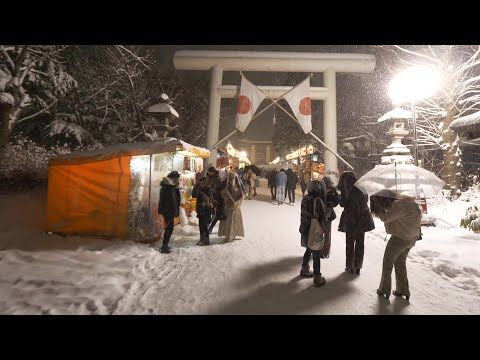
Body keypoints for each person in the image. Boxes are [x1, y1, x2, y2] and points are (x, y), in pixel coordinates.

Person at [370, 189, 422, 301]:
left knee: (387, 263)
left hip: (400, 239)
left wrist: (380, 210)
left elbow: (386, 218)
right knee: (400, 263)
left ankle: (384, 290)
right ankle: (403, 290)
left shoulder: (399, 205)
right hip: (412, 238)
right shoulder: (410, 202)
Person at [337, 171, 375, 274]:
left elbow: (343, 203)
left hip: (351, 219)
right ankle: (358, 266)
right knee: (360, 243)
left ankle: (350, 266)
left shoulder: (347, 189)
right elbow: (365, 200)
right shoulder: (362, 187)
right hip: (362, 218)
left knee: (350, 243)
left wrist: (340, 198)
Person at [299, 179, 328, 287]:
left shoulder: (305, 198)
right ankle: (317, 277)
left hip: (305, 228)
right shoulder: (318, 200)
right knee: (316, 252)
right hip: (314, 229)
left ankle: (304, 270)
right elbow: (322, 218)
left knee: (309, 248)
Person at [218, 171, 246, 242]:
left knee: (232, 222)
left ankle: (231, 236)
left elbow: (241, 196)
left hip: (233, 207)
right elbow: (222, 194)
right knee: (230, 222)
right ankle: (230, 235)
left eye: (231, 177)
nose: (230, 179)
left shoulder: (235, 186)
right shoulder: (228, 185)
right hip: (230, 207)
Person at [158, 171, 181, 254]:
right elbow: (166, 201)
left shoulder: (171, 186)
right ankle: (164, 247)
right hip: (168, 211)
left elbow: (175, 199)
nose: (177, 179)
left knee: (169, 228)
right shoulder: (167, 187)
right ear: (172, 178)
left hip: (170, 210)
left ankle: (165, 245)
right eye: (176, 178)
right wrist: (167, 211)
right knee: (169, 228)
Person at [319, 176, 340, 258]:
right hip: (322, 214)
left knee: (325, 233)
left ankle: (325, 252)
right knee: (323, 233)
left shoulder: (333, 192)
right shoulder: (321, 190)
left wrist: (329, 203)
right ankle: (322, 251)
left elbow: (337, 201)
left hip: (327, 214)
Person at [192, 176, 214, 246]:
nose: (201, 184)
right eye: (200, 183)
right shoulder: (199, 188)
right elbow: (194, 196)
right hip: (200, 209)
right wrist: (195, 187)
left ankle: (206, 240)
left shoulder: (209, 189)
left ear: (205, 183)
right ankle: (202, 238)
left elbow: (210, 200)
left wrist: (204, 203)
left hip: (206, 210)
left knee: (205, 225)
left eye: (202, 183)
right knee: (201, 225)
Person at [206, 166, 225, 235]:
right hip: (208, 197)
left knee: (216, 214)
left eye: (210, 172)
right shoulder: (207, 177)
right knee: (209, 213)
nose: (209, 173)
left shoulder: (217, 179)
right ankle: (209, 225)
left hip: (216, 198)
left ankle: (210, 227)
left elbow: (217, 189)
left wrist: (211, 189)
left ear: (213, 172)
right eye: (208, 171)